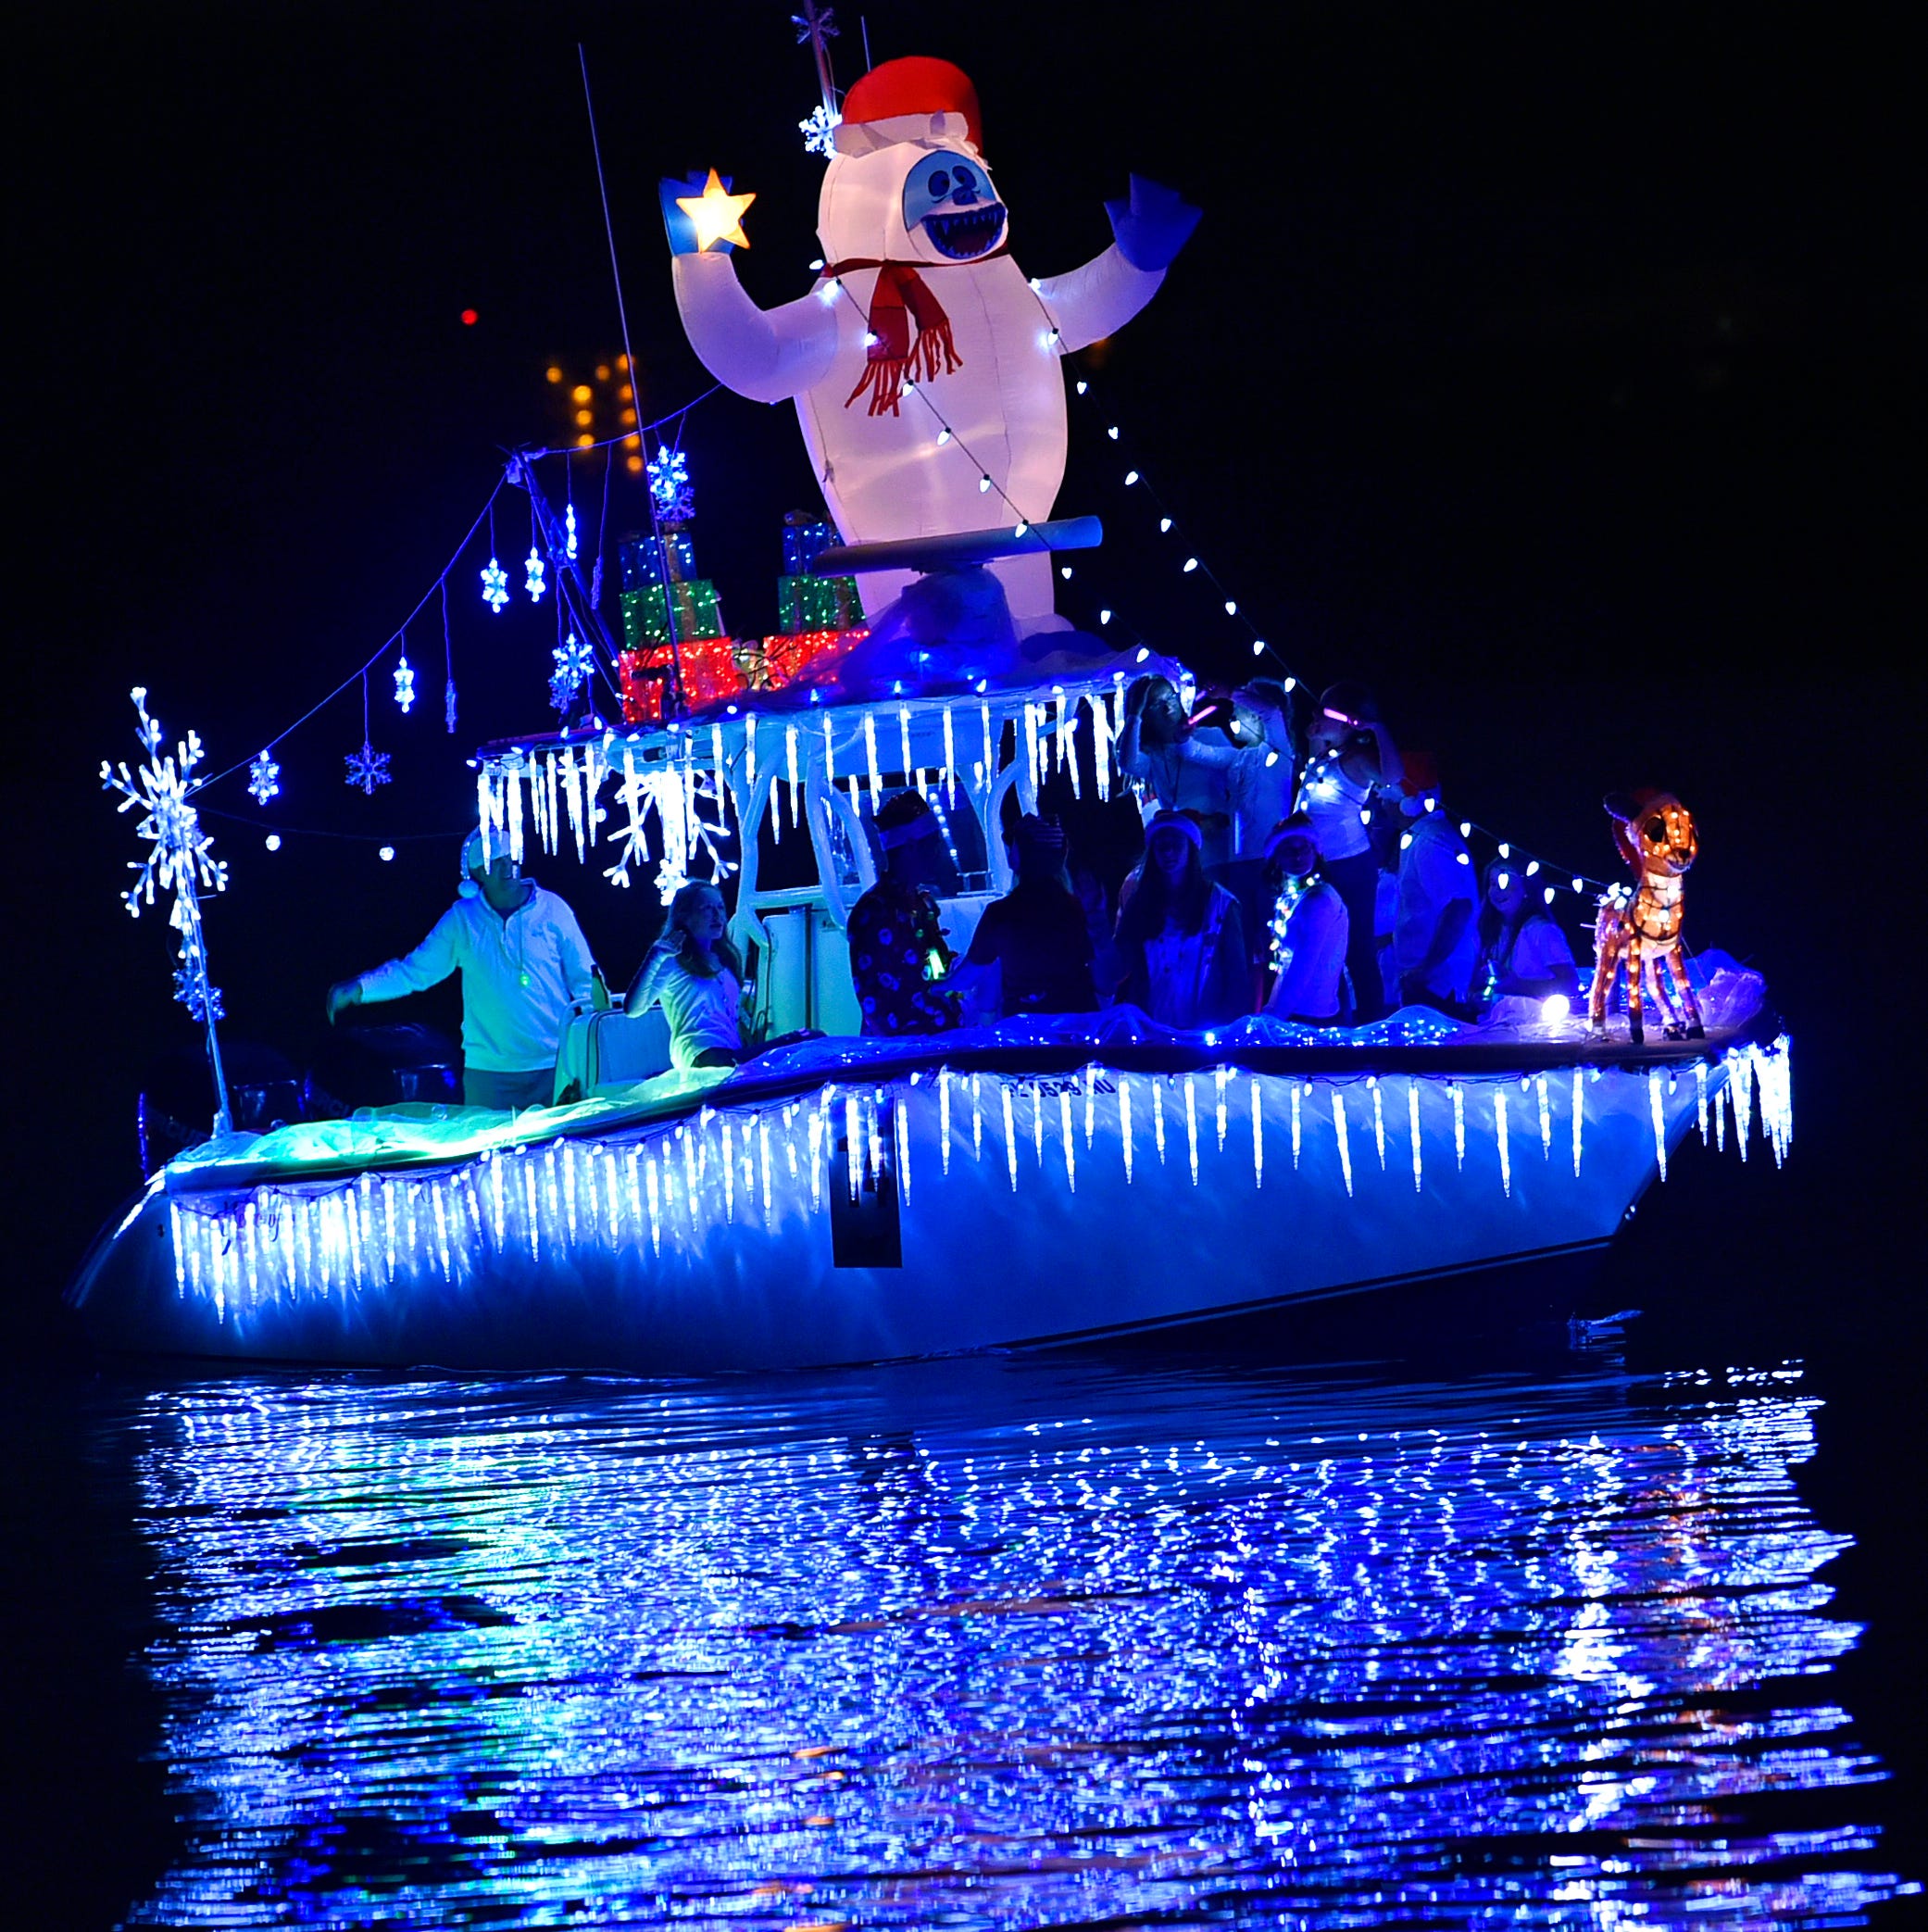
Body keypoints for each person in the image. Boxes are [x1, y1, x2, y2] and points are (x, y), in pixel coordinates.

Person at [326, 831, 605, 1111]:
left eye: (509, 859)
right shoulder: (462, 919)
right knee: (490, 1155)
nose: (506, 868)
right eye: (494, 863)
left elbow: (585, 979)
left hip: (555, 1065)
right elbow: (416, 971)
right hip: (488, 1075)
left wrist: (591, 1046)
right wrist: (362, 988)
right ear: (476, 874)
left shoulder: (553, 909)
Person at [1297, 683, 1403, 1022]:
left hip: (1350, 866)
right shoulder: (1328, 754)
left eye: (1323, 713)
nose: (1315, 716)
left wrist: (1378, 729)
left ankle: (1371, 1023)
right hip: (1321, 865)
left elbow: (1394, 776)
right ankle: (1335, 1018)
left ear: (1347, 721)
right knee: (1326, 946)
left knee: (1357, 948)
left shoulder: (1358, 759)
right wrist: (1314, 735)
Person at [1115, 811, 1251, 1029]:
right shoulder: (1140, 903)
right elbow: (1118, 965)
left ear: (1190, 848)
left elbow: (1237, 980)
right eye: (1161, 845)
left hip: (1206, 1033)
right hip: (1151, 1030)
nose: (1168, 851)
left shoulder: (1221, 905)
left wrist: (1228, 1035)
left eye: (1176, 843)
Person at [846, 788, 963, 1035]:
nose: (939, 851)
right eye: (934, 843)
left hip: (937, 1042)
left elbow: (932, 971)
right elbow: (878, 1007)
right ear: (911, 847)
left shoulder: (920, 902)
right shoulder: (873, 912)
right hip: (902, 1055)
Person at [956, 814, 1097, 1018]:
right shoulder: (1076, 907)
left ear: (1017, 856)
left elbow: (968, 977)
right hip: (1077, 1024)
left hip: (1025, 1028)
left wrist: (936, 987)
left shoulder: (1001, 913)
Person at [1117, 674, 1241, 870]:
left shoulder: (1210, 736)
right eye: (1157, 704)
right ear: (1145, 716)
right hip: (1182, 858)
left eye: (1171, 697)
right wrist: (1134, 714)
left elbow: (1237, 779)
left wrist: (1219, 819)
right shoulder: (1155, 756)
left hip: (1220, 851)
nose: (1168, 707)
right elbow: (1127, 763)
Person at [624, 880, 746, 1070]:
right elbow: (633, 1009)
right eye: (707, 908)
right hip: (700, 1055)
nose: (717, 915)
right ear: (685, 916)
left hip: (730, 1054)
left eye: (720, 907)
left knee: (799, 1042)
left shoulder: (725, 960)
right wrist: (654, 957)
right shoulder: (674, 961)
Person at [1392, 785, 1480, 1016]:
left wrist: (1426, 970)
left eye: (1383, 796)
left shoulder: (1431, 842)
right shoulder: (1422, 837)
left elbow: (1459, 908)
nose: (1380, 805)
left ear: (1406, 801)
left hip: (1437, 986)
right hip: (1428, 981)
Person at [1262, 813, 1348, 1024]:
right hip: (1294, 1013)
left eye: (1304, 848)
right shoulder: (1293, 897)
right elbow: (1285, 965)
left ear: (1316, 852)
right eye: (1288, 849)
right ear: (1276, 856)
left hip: (1309, 1019)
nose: (1297, 856)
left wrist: (1274, 1020)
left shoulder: (1318, 901)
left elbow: (1301, 969)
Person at [1473, 859, 1580, 1006]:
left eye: (1507, 884)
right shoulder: (1490, 928)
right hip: (1497, 1020)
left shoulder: (1542, 930)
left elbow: (1570, 984)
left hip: (1536, 1022)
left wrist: (1517, 986)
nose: (1498, 891)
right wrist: (1481, 992)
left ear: (1527, 890)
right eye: (1493, 884)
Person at [1071, 860, 1125, 1006]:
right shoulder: (1069, 927)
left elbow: (1109, 987)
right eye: (1080, 883)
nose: (1085, 888)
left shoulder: (1110, 926)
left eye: (1088, 882)